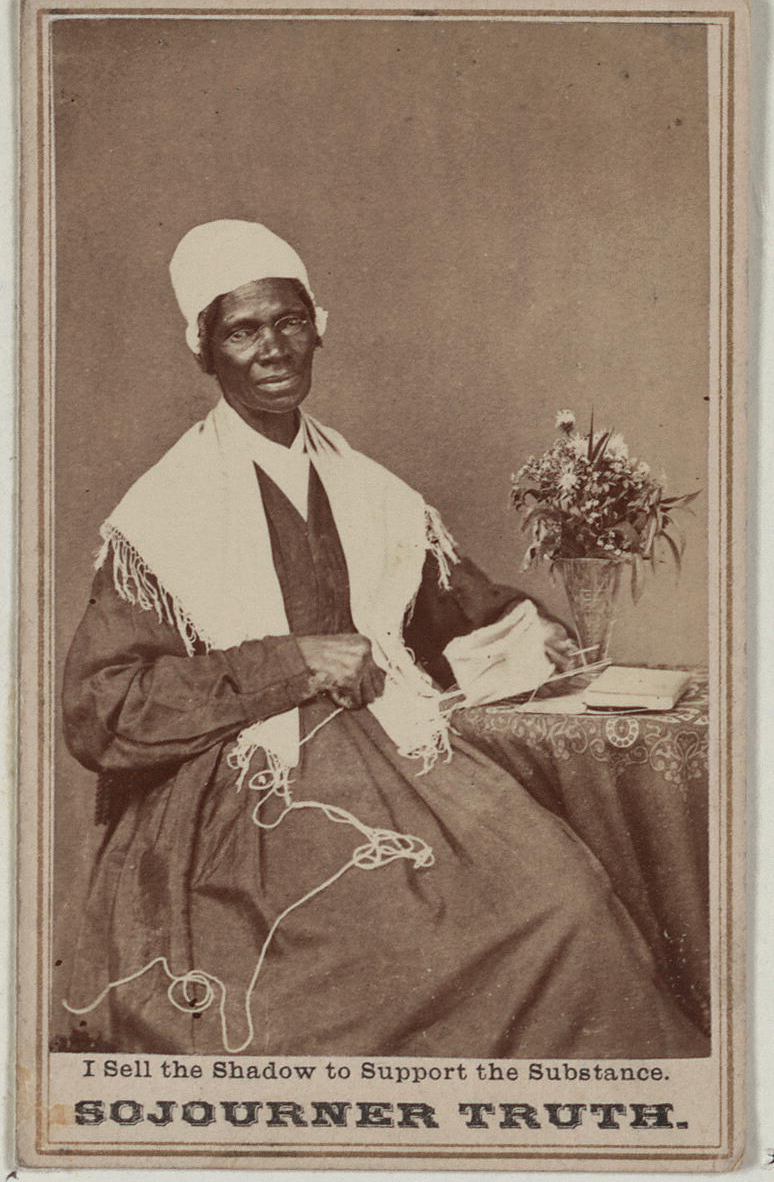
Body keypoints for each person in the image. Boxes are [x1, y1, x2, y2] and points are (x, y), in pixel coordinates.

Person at [61, 219, 708, 1058]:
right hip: (243, 794)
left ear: (317, 327)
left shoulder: (369, 488)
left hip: (398, 753)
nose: (273, 348)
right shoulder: (163, 514)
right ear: (205, 352)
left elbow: (448, 610)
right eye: (242, 330)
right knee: (365, 971)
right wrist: (288, 663)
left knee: (564, 905)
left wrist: (527, 629)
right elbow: (100, 711)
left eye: (290, 321)